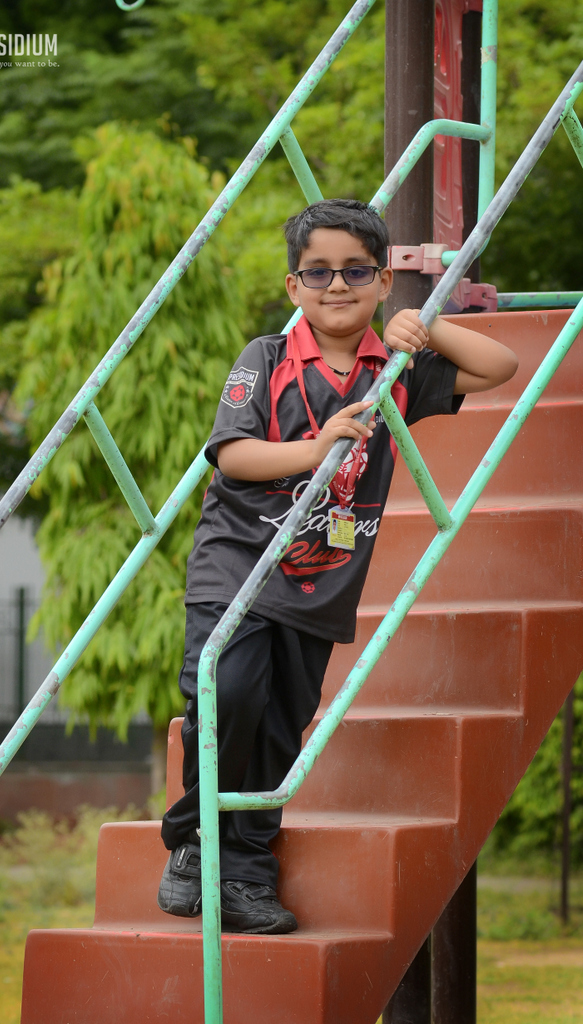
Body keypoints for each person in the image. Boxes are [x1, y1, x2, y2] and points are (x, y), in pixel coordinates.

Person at [157, 198, 518, 935]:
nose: (336, 286)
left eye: (355, 270)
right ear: (293, 286)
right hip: (239, 564)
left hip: (320, 582)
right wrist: (315, 448)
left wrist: (427, 324)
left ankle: (248, 875)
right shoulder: (264, 359)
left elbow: (500, 367)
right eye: (316, 272)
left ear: (383, 280)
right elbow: (232, 454)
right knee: (226, 695)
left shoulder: (397, 374)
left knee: (281, 728)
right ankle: (195, 839)